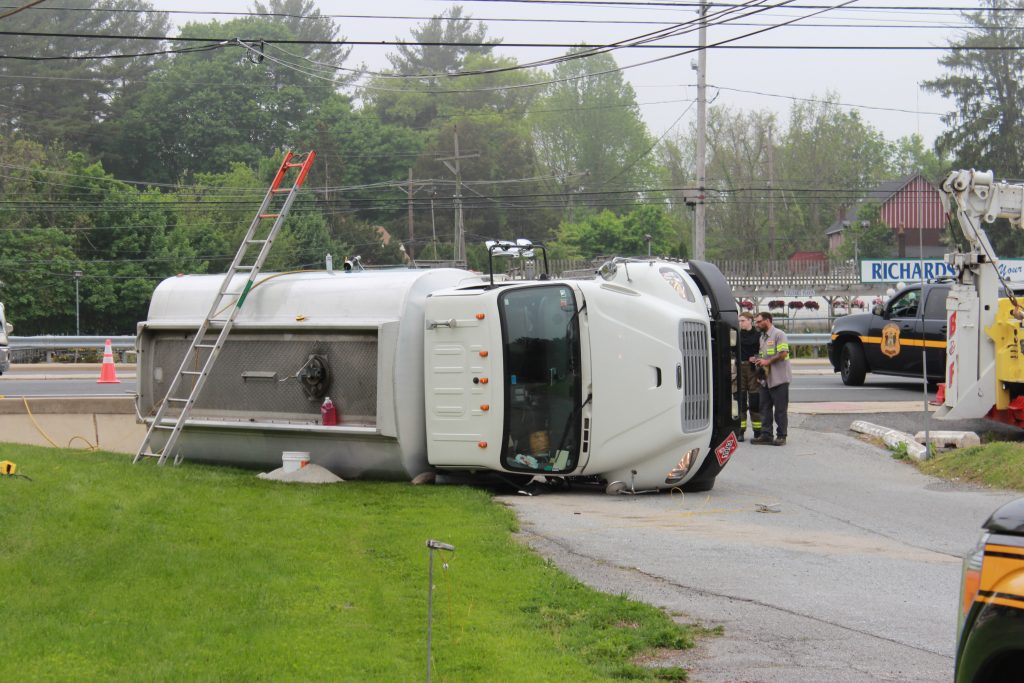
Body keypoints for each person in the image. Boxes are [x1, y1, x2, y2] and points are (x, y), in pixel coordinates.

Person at [749, 312, 791, 446]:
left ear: (767, 320)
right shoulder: (762, 337)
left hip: (779, 379)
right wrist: (757, 361)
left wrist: (767, 362)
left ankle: (781, 436)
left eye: (759, 321)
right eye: (756, 322)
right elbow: (764, 357)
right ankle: (766, 435)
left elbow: (783, 354)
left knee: (780, 410)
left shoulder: (779, 334)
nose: (757, 324)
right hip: (765, 379)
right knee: (764, 408)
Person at [735, 311, 762, 442]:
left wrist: (756, 357)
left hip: (753, 370)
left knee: (754, 401)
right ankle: (740, 431)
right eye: (739, 321)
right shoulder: (736, 335)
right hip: (739, 369)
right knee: (740, 401)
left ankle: (757, 431)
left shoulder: (758, 335)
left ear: (750, 321)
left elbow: (763, 351)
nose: (740, 323)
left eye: (743, 321)